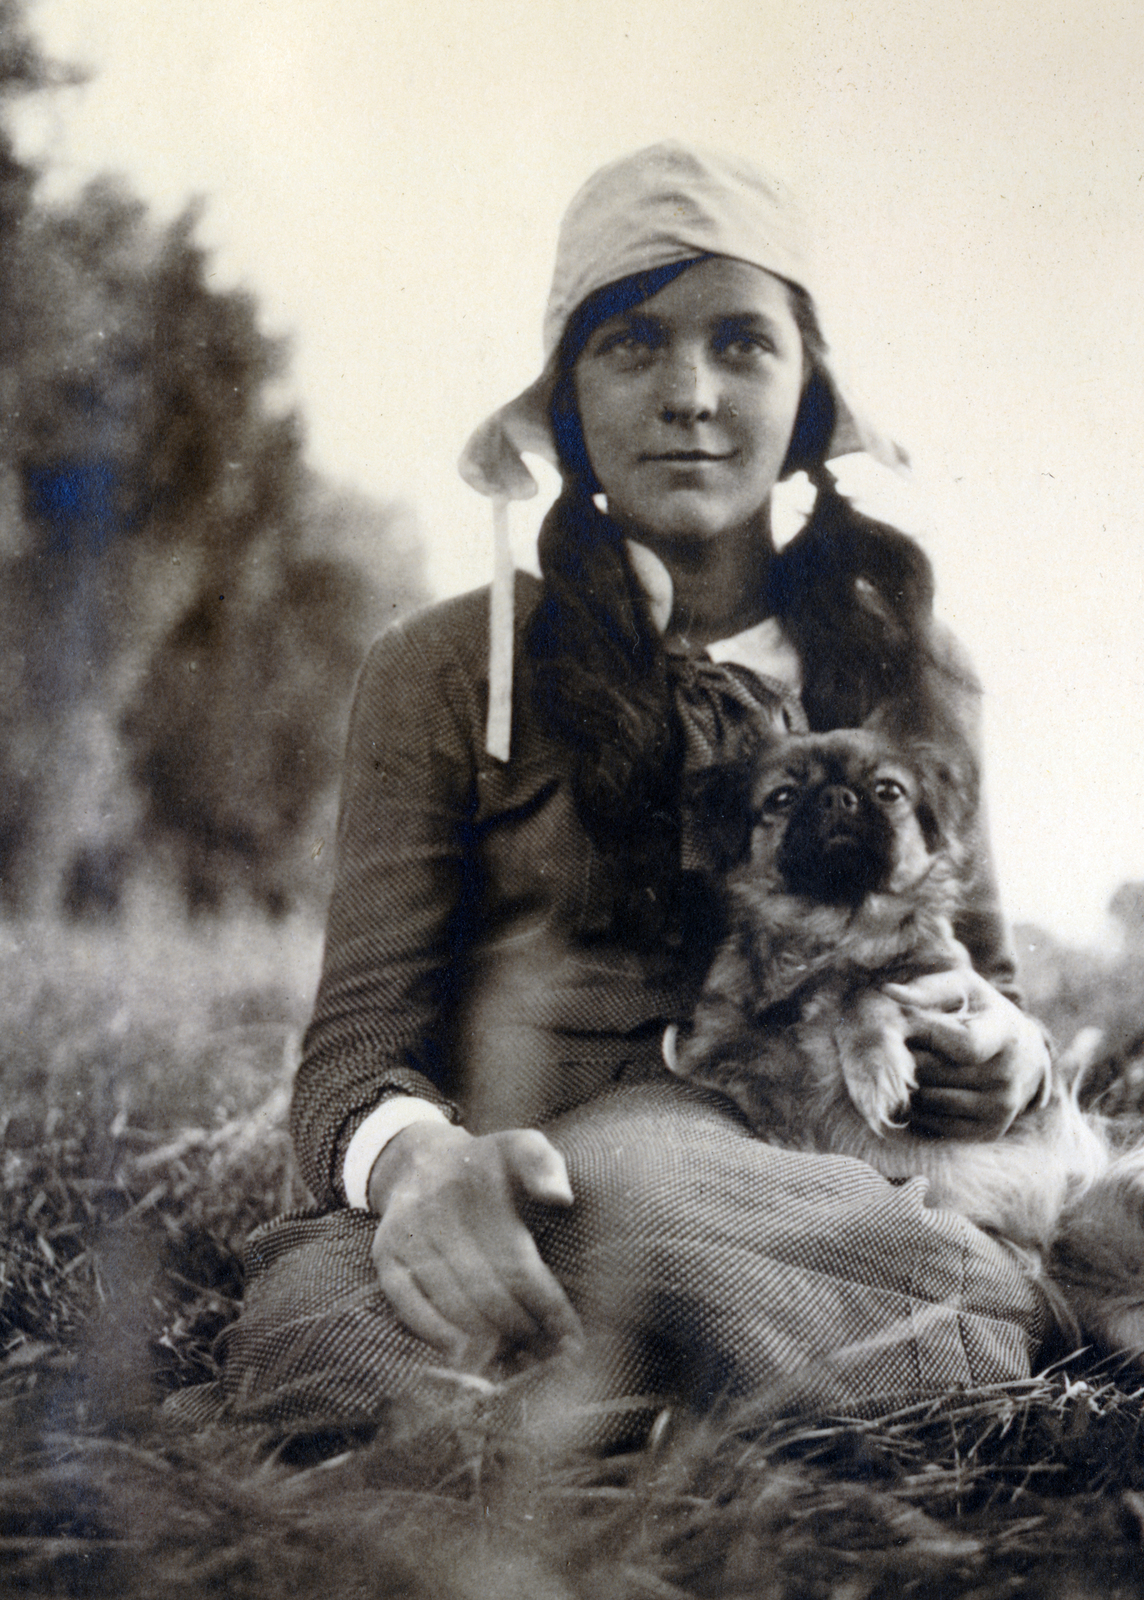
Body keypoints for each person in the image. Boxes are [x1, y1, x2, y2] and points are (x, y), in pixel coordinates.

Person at [180, 142, 1055, 1444]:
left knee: (649, 1185)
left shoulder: (909, 671)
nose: (688, 393)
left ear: (810, 394)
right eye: (633, 345)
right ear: (569, 395)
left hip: (808, 1193)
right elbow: (353, 1053)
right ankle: (710, 1412)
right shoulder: (440, 670)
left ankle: (614, 1412)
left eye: (741, 345)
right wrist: (421, 1172)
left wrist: (1006, 1064)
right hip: (505, 1188)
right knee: (324, 1336)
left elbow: (990, 993)